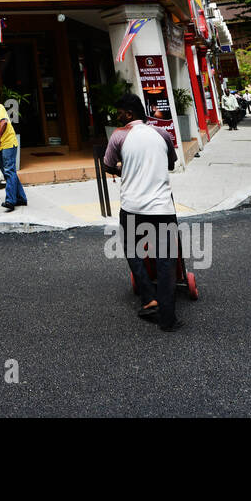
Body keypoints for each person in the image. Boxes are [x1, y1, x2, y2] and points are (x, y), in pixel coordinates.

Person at [102, 94, 183, 332]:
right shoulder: (162, 134)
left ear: (129, 114)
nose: (117, 117)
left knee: (133, 251)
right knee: (166, 260)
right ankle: (168, 319)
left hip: (132, 208)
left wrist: (124, 165)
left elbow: (108, 166)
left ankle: (148, 298)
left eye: (119, 113)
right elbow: (170, 164)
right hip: (162, 208)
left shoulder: (118, 135)